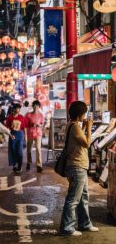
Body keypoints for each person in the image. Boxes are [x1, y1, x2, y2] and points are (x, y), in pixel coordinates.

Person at [60, 101, 99, 236]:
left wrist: (83, 127)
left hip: (79, 166)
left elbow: (79, 141)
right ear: (79, 114)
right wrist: (88, 128)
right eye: (84, 113)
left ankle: (85, 224)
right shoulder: (74, 127)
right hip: (76, 167)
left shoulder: (73, 126)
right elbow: (87, 144)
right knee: (73, 199)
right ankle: (67, 228)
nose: (85, 116)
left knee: (83, 198)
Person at [5, 103, 27, 174]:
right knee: (12, 150)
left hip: (20, 135)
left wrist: (25, 136)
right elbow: (6, 128)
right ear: (14, 109)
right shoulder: (9, 118)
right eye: (18, 108)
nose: (19, 110)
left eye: (20, 109)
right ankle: (14, 166)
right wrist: (9, 134)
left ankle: (20, 165)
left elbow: (24, 127)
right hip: (12, 135)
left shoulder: (21, 117)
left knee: (19, 151)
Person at [25, 100, 45, 172]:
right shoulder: (28, 115)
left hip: (38, 133)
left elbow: (43, 124)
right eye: (34, 105)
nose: (35, 107)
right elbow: (25, 124)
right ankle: (28, 162)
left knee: (38, 148)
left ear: (39, 107)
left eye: (37, 106)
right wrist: (31, 125)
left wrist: (39, 125)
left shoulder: (41, 115)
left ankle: (39, 165)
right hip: (30, 132)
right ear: (32, 106)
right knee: (29, 149)